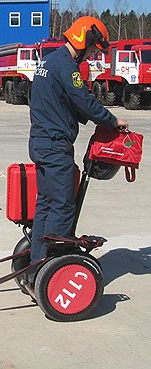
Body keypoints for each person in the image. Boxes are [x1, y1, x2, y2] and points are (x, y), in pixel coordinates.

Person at [28, 16, 129, 278]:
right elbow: (83, 100)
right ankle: (53, 267)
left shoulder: (48, 61)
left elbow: (61, 101)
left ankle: (36, 261)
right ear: (85, 39)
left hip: (40, 142)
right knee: (62, 204)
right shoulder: (66, 66)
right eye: (94, 49)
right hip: (55, 145)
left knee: (45, 203)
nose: (91, 55)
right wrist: (112, 120)